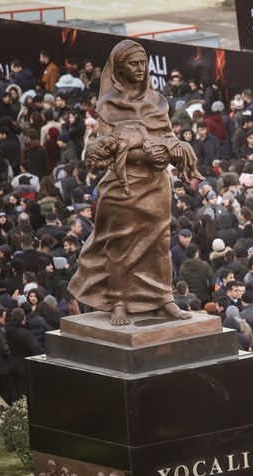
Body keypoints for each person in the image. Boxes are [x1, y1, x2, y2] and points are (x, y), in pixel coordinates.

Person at [67, 40, 199, 325]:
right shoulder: (108, 105)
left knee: (160, 241)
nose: (140, 69)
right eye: (133, 63)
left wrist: (178, 146)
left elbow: (166, 135)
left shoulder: (156, 101)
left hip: (155, 183)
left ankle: (164, 296)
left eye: (143, 63)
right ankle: (118, 301)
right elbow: (103, 152)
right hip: (122, 185)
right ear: (119, 68)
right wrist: (144, 151)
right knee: (120, 244)